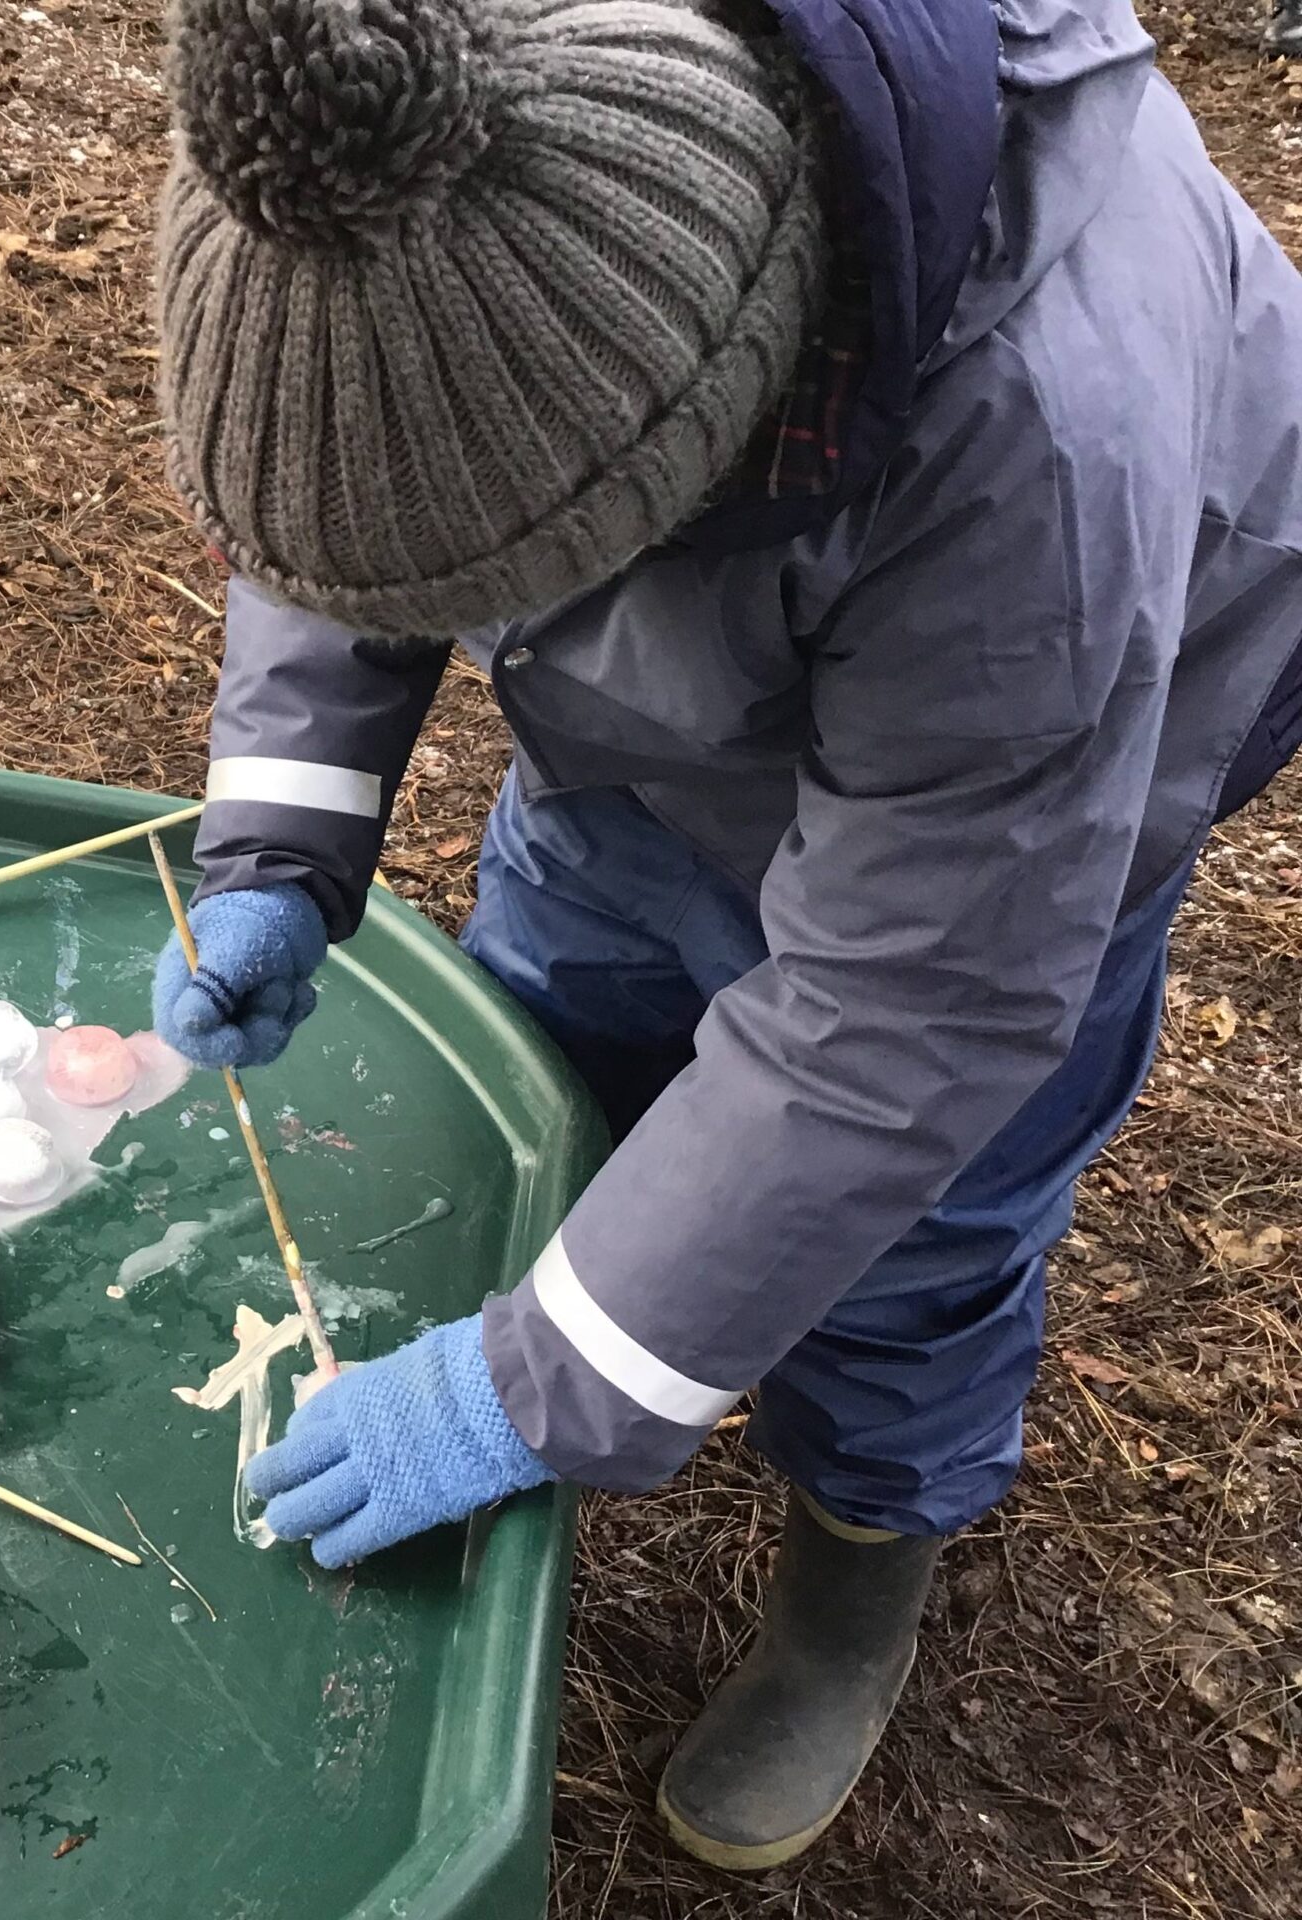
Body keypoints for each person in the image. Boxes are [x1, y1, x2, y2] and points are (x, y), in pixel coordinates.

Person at [147, 0, 1302, 1873]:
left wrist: (533, 1390)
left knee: (909, 1246)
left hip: (1029, 794)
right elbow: (364, 455)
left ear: (687, 440)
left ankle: (854, 1593)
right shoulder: (435, 144)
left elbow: (915, 999)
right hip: (658, 725)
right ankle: (585, 1322)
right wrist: (287, 829)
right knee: (555, 1035)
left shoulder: (1040, 432)